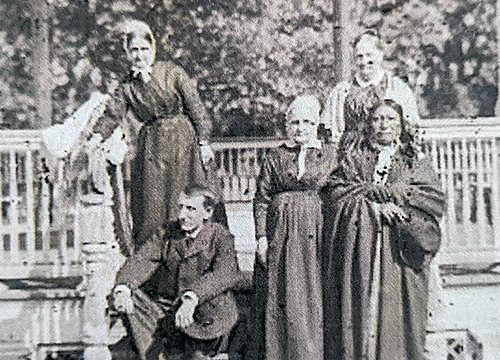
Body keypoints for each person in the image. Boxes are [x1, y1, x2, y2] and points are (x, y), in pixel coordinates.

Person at [321, 99, 445, 360]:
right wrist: (374, 208)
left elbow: (432, 198)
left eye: (390, 119)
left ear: (400, 125)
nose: (384, 125)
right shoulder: (355, 159)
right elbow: (337, 192)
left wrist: (397, 200)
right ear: (369, 124)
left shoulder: (414, 160)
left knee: (399, 312)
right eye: (378, 119)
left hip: (399, 249)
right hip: (363, 247)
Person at [93, 19, 224, 254]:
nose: (139, 55)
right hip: (152, 149)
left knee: (185, 200)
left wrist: (204, 141)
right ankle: (157, 269)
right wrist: (96, 137)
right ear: (127, 53)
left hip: (184, 145)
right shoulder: (127, 86)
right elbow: (112, 113)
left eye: (144, 49)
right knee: (153, 210)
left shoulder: (172, 72)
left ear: (152, 49)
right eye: (134, 50)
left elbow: (196, 107)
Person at [248, 95, 337, 360]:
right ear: (287, 124)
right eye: (295, 122)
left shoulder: (330, 154)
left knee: (311, 296)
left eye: (307, 122)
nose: (300, 128)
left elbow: (337, 195)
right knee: (280, 296)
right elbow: (262, 198)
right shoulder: (276, 155)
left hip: (315, 235)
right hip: (280, 236)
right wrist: (261, 237)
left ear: (318, 122)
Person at [111, 185, 240, 360]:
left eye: (190, 209)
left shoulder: (220, 237)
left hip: (206, 313)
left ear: (207, 213)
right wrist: (123, 288)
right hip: (171, 309)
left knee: (197, 355)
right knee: (130, 297)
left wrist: (191, 297)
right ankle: (155, 353)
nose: (181, 215)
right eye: (180, 207)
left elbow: (224, 274)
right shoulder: (168, 233)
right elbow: (142, 259)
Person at [321, 30, 420, 144]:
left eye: (369, 55)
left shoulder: (398, 89)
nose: (364, 61)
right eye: (359, 56)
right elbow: (328, 130)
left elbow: (412, 127)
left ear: (381, 54)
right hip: (349, 155)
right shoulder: (340, 92)